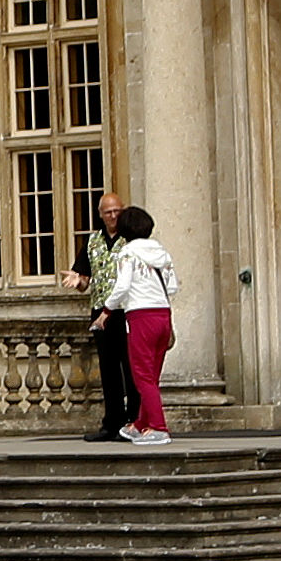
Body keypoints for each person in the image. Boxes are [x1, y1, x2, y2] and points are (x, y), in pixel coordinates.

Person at [102, 205, 177, 444]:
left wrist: (107, 309)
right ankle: (142, 423)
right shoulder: (162, 253)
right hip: (162, 314)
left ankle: (158, 426)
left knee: (142, 376)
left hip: (141, 315)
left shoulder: (127, 253)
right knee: (151, 376)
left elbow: (122, 286)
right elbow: (173, 286)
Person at [77, 185, 139, 441]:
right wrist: (77, 281)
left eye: (117, 211)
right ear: (100, 214)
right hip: (100, 312)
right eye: (108, 212)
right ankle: (111, 422)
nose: (113, 216)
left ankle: (134, 421)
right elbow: (84, 279)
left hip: (128, 312)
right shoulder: (93, 241)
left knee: (132, 369)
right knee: (109, 369)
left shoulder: (133, 240)